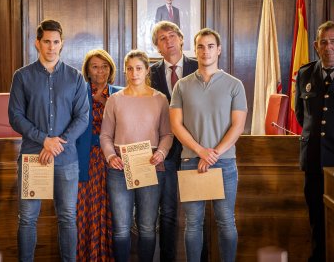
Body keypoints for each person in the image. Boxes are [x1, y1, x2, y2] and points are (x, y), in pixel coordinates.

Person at [8, 19, 89, 262]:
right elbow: (15, 116)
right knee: (27, 218)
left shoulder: (75, 78)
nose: (51, 47)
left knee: (67, 217)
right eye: (46, 42)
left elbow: (83, 117)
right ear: (37, 43)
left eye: (55, 42)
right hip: (33, 157)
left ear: (61, 44)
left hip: (66, 160)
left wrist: (57, 143)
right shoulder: (22, 77)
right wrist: (44, 140)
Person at [170, 28, 247, 262]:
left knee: (226, 221)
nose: (205, 51)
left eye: (210, 46)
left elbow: (238, 126)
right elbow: (176, 125)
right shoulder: (181, 86)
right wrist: (201, 151)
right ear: (195, 50)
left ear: (219, 49)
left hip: (224, 163)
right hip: (191, 161)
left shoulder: (235, 85)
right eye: (201, 46)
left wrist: (213, 154)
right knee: (193, 223)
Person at [100, 50, 173, 262]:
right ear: (125, 71)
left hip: (150, 165)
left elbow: (167, 134)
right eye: (130, 68)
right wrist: (110, 156)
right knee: (121, 228)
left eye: (139, 68)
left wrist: (161, 152)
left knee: (147, 227)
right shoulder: (115, 100)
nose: (134, 73)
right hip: (119, 168)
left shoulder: (160, 100)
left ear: (147, 70)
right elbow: (105, 135)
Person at [150, 21, 198, 261]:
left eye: (172, 36)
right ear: (157, 47)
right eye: (162, 39)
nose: (168, 41)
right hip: (164, 152)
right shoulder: (150, 73)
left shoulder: (200, 67)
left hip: (194, 150)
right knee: (167, 212)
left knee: (197, 214)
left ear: (181, 39)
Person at [295, 20, 334, 262]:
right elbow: (302, 116)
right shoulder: (305, 74)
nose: (328, 47)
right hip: (314, 161)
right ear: (316, 45)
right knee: (316, 217)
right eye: (324, 42)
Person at [76, 49, 122, 261]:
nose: (100, 71)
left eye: (104, 66)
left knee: (113, 211)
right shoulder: (78, 92)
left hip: (113, 159)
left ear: (110, 69)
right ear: (87, 70)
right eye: (95, 66)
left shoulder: (120, 93)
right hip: (85, 159)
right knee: (86, 211)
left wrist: (106, 104)